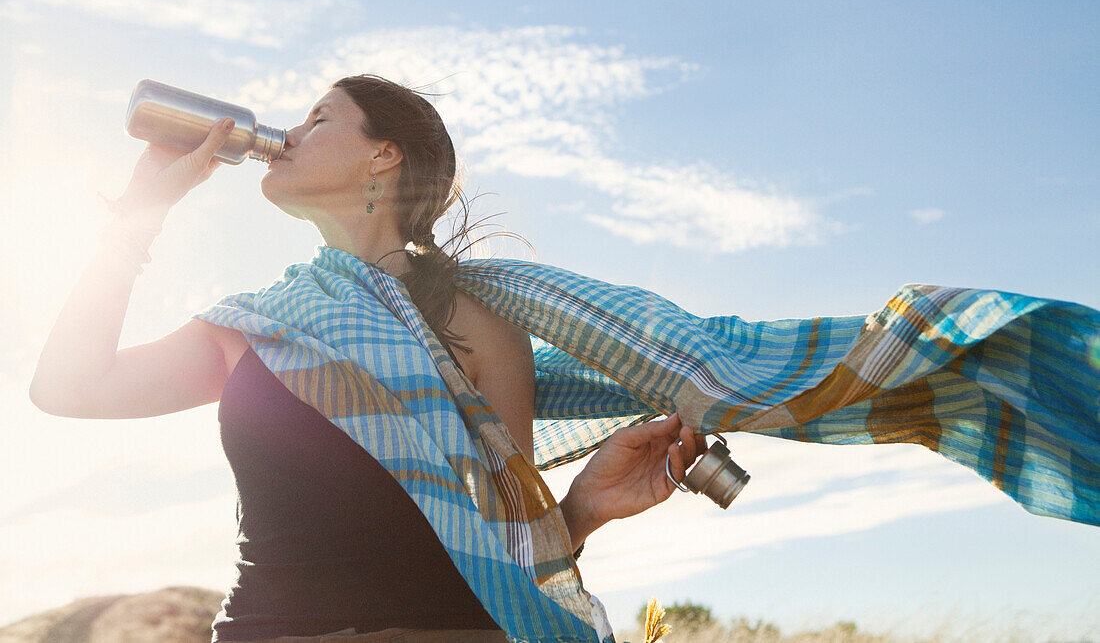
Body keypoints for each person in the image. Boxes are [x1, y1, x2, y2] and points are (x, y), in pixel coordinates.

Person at [29, 74, 708, 642]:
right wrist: (139, 213)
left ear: (384, 155)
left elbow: (505, 538)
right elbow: (69, 385)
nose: (288, 134)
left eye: (317, 118)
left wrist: (581, 508)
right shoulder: (258, 325)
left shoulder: (475, 324)